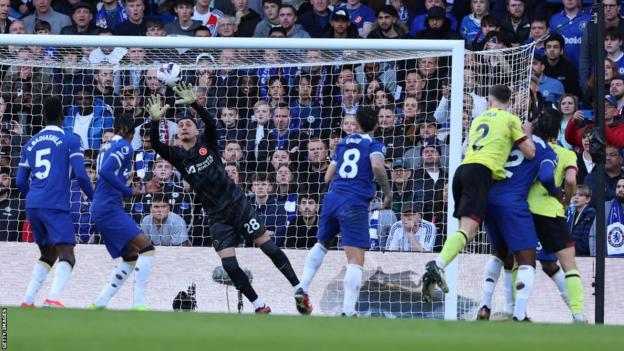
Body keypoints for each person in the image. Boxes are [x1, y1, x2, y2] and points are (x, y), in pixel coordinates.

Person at [147, 83, 311, 315]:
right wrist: (155, 121)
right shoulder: (177, 156)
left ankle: (298, 289)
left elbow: (212, 123)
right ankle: (259, 305)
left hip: (238, 205)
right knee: (229, 264)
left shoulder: (207, 144)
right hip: (216, 216)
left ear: (196, 130)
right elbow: (155, 144)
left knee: (267, 245)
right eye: (181, 125)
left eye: (189, 124)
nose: (184, 127)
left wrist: (195, 103)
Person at [421, 85, 535, 302]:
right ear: (509, 103)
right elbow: (530, 153)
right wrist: (525, 133)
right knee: (468, 230)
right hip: (481, 173)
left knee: (467, 232)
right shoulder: (509, 119)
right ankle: (436, 265)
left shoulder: (478, 119)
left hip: (462, 171)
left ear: (489, 101)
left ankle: (434, 271)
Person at [298, 107, 392, 316]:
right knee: (356, 258)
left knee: (322, 244)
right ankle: (348, 310)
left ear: (356, 123)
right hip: (354, 202)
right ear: (376, 125)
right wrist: (387, 192)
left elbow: (327, 176)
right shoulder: (374, 144)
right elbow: (377, 166)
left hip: (332, 198)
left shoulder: (342, 144)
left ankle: (302, 286)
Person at [477, 122, 559, 321]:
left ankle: (485, 305)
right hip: (514, 204)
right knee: (527, 260)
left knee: (499, 253)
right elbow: (548, 177)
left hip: (489, 200)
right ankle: (519, 315)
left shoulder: (508, 140)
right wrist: (556, 193)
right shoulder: (546, 150)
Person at [17, 97, 94, 308]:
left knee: (48, 253)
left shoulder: (30, 142)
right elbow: (80, 173)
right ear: (63, 117)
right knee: (67, 254)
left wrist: (34, 196)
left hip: (33, 204)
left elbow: (19, 181)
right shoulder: (71, 139)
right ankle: (52, 299)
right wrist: (94, 199)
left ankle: (28, 300)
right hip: (55, 204)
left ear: (43, 116)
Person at [90, 113, 158, 310]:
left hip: (103, 205)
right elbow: (105, 172)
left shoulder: (106, 146)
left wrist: (138, 190)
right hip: (108, 208)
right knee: (147, 248)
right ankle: (139, 304)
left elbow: (107, 176)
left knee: (130, 258)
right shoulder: (124, 147)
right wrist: (128, 191)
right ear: (129, 130)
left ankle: (99, 303)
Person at [526, 108, 587, 323]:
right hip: (552, 212)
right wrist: (566, 200)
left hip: (524, 212)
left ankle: (516, 311)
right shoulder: (566, 153)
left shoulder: (530, 149)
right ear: (557, 130)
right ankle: (578, 314)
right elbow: (570, 181)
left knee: (522, 263)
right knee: (569, 264)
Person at [567, 185, 595, 256]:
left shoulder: (591, 215)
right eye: (574, 195)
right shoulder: (572, 215)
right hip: (574, 252)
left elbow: (586, 243)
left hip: (585, 256)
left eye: (580, 195)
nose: (576, 197)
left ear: (588, 199)